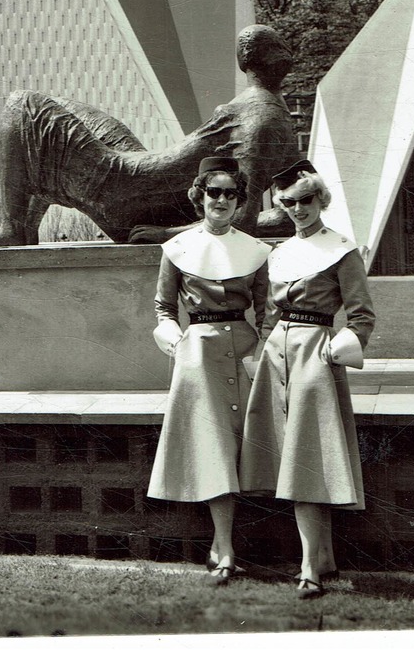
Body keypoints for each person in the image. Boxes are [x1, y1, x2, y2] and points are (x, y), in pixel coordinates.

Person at [0, 25, 300, 247]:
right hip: (141, 181)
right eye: (276, 43)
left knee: (22, 104)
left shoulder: (262, 120)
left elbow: (243, 220)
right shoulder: (277, 115)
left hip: (129, 197)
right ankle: (24, 228)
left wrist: (166, 234)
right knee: (57, 109)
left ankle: (13, 228)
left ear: (246, 60)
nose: (283, 47)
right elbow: (285, 217)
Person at [239, 158, 376, 599]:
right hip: (277, 354)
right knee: (289, 456)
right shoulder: (279, 253)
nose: (297, 209)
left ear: (321, 199)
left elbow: (362, 316)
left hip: (314, 354)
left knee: (308, 455)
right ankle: (324, 559)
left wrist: (337, 348)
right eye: (289, 202)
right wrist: (260, 351)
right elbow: (269, 314)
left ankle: (308, 568)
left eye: (305, 200)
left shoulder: (341, 249)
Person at [146, 156, 270, 585]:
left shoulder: (255, 250)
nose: (220, 200)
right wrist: (173, 337)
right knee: (214, 446)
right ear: (200, 196)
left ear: (239, 201)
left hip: (246, 350)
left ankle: (231, 545)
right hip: (198, 354)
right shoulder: (177, 248)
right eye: (213, 192)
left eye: (229, 194)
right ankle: (225, 546)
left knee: (249, 447)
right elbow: (164, 306)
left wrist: (264, 351)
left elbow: (267, 310)